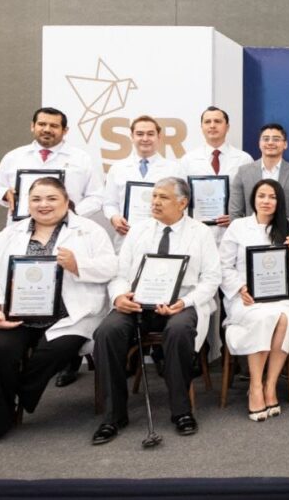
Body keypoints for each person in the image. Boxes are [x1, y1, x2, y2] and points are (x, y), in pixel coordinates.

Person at [0, 178, 116, 446]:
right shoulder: (10, 234)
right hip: (18, 314)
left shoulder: (89, 231)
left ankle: (0, 405)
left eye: (51, 199)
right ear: (28, 202)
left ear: (65, 201)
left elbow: (110, 268)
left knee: (55, 351)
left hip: (69, 314)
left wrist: (77, 264)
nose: (43, 205)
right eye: (36, 199)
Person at [91, 177, 221, 445]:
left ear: (182, 203)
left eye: (163, 197)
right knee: (107, 332)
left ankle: (181, 411)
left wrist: (185, 303)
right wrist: (118, 296)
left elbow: (211, 278)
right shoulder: (138, 231)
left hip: (181, 302)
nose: (155, 202)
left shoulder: (200, 232)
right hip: (138, 302)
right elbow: (120, 272)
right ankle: (114, 415)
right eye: (153, 196)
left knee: (179, 330)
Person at [219, 179, 289, 421]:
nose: (267, 201)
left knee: (285, 317)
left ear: (280, 201)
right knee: (262, 317)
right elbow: (224, 266)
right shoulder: (238, 226)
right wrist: (239, 288)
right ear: (253, 200)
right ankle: (255, 386)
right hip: (247, 296)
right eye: (262, 196)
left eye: (272, 197)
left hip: (282, 295)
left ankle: (270, 385)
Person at [0, 107, 104, 221]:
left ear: (65, 130)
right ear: (32, 126)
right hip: (20, 228)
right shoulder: (13, 157)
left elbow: (97, 196)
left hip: (67, 229)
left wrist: (72, 214)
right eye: (42, 124)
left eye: (54, 126)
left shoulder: (82, 159)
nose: (47, 129)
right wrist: (5, 194)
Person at [102, 115, 183, 250]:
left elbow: (181, 204)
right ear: (132, 137)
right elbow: (109, 203)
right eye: (140, 134)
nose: (145, 139)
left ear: (159, 137)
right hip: (127, 236)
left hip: (162, 235)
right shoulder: (117, 168)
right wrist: (114, 217)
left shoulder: (174, 169)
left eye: (150, 134)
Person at [179, 106, 253, 240]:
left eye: (217, 121)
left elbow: (251, 197)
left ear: (227, 126)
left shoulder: (244, 159)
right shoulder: (188, 160)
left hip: (233, 231)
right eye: (207, 122)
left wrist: (237, 217)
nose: (212, 126)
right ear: (201, 127)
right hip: (197, 231)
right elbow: (180, 197)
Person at [230, 124, 289, 235]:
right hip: (249, 238)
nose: (270, 143)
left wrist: (288, 235)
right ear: (259, 143)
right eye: (266, 139)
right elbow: (235, 212)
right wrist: (246, 236)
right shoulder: (243, 172)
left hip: (284, 239)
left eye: (276, 139)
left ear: (285, 144)